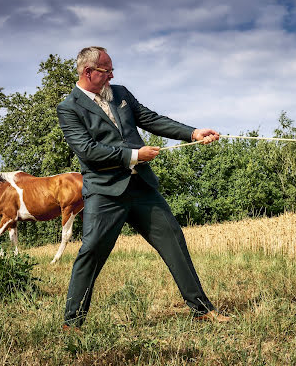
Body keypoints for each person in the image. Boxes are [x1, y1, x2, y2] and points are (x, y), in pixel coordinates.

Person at [57, 46, 230, 329]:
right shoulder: (69, 108)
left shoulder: (121, 94)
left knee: (173, 239)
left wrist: (192, 133)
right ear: (88, 72)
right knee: (91, 252)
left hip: (142, 187)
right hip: (105, 192)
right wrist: (134, 155)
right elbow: (87, 151)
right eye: (106, 71)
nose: (112, 75)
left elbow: (150, 119)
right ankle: (72, 322)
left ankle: (201, 310)